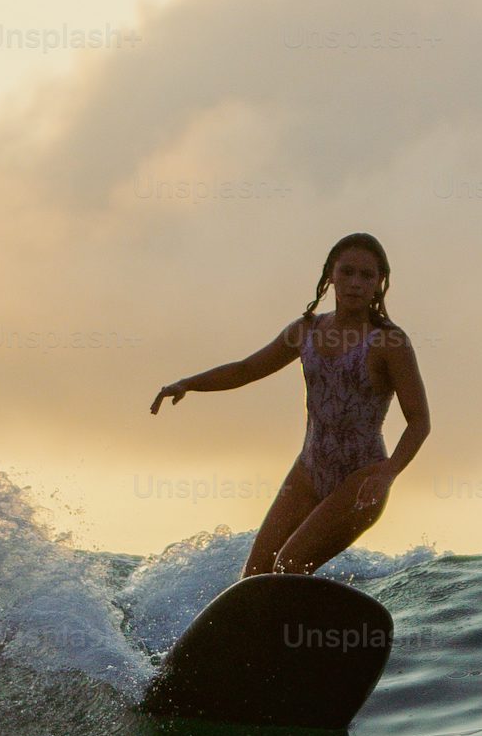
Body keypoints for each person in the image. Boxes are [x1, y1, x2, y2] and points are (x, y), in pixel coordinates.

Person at [149, 233, 430, 577]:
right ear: (330, 276)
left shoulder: (390, 342)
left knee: (291, 565)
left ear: (379, 283)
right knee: (255, 574)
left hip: (362, 478)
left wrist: (388, 473)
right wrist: (189, 384)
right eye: (347, 272)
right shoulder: (306, 331)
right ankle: (265, 631)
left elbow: (419, 421)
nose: (355, 283)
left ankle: (315, 630)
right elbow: (246, 369)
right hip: (309, 471)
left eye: (366, 275)